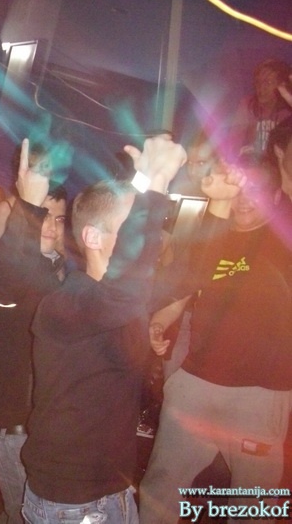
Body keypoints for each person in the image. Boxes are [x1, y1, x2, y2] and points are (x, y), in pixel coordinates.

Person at [18, 135, 185, 523]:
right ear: (93, 237)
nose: (147, 237)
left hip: (113, 486)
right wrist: (156, 183)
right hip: (73, 501)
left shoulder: (113, 301)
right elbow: (123, 291)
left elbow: (147, 283)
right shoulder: (66, 304)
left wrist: (143, 181)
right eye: (131, 228)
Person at [139, 157, 292, 523]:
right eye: (238, 189)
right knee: (161, 487)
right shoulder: (212, 233)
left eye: (256, 190)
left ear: (277, 196)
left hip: (260, 395)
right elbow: (185, 287)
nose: (244, 199)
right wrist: (159, 322)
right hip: (195, 384)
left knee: (253, 503)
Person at [0, 139, 67, 523]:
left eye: (59, 219)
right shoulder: (4, 278)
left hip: (42, 423)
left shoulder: (60, 274)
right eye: (43, 215)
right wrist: (28, 207)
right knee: (27, 515)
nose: (51, 225)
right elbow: (9, 268)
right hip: (11, 427)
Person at [231, 59, 292, 158]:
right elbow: (234, 140)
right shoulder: (248, 105)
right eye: (258, 82)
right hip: (251, 163)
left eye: (268, 82)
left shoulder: (288, 110)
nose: (261, 88)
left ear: (282, 85)